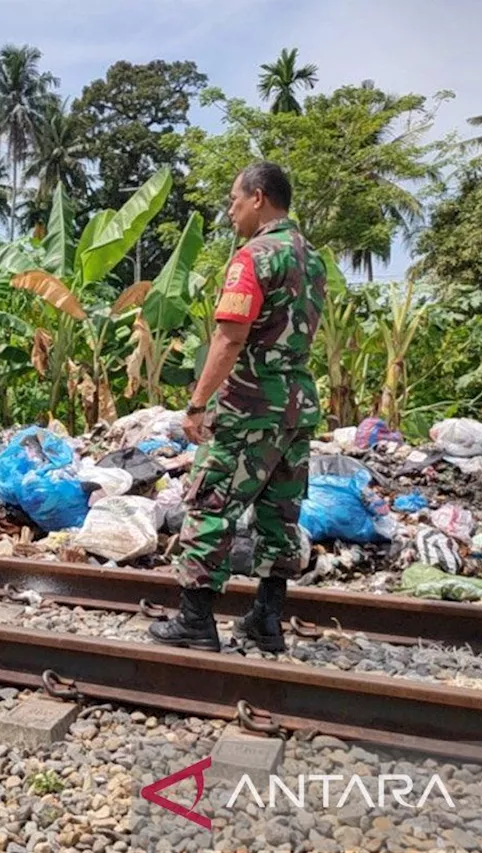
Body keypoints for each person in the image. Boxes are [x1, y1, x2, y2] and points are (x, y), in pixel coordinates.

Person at [149, 162, 326, 653]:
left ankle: (195, 621)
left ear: (259, 197)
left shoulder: (254, 257)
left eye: (234, 199)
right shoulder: (312, 260)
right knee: (278, 516)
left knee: (210, 505)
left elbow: (230, 337)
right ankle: (266, 622)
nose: (230, 210)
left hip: (249, 406)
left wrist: (197, 404)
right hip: (295, 409)